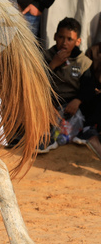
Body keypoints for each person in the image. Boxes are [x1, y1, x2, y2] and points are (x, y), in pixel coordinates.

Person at [40, 17, 94, 154]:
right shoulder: (46, 56)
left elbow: (88, 87)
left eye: (70, 39)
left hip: (73, 103)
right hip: (51, 101)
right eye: (61, 37)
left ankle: (86, 131)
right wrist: (53, 64)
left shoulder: (83, 62)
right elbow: (38, 82)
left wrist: (78, 101)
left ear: (78, 41)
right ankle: (46, 138)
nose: (64, 43)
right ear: (55, 37)